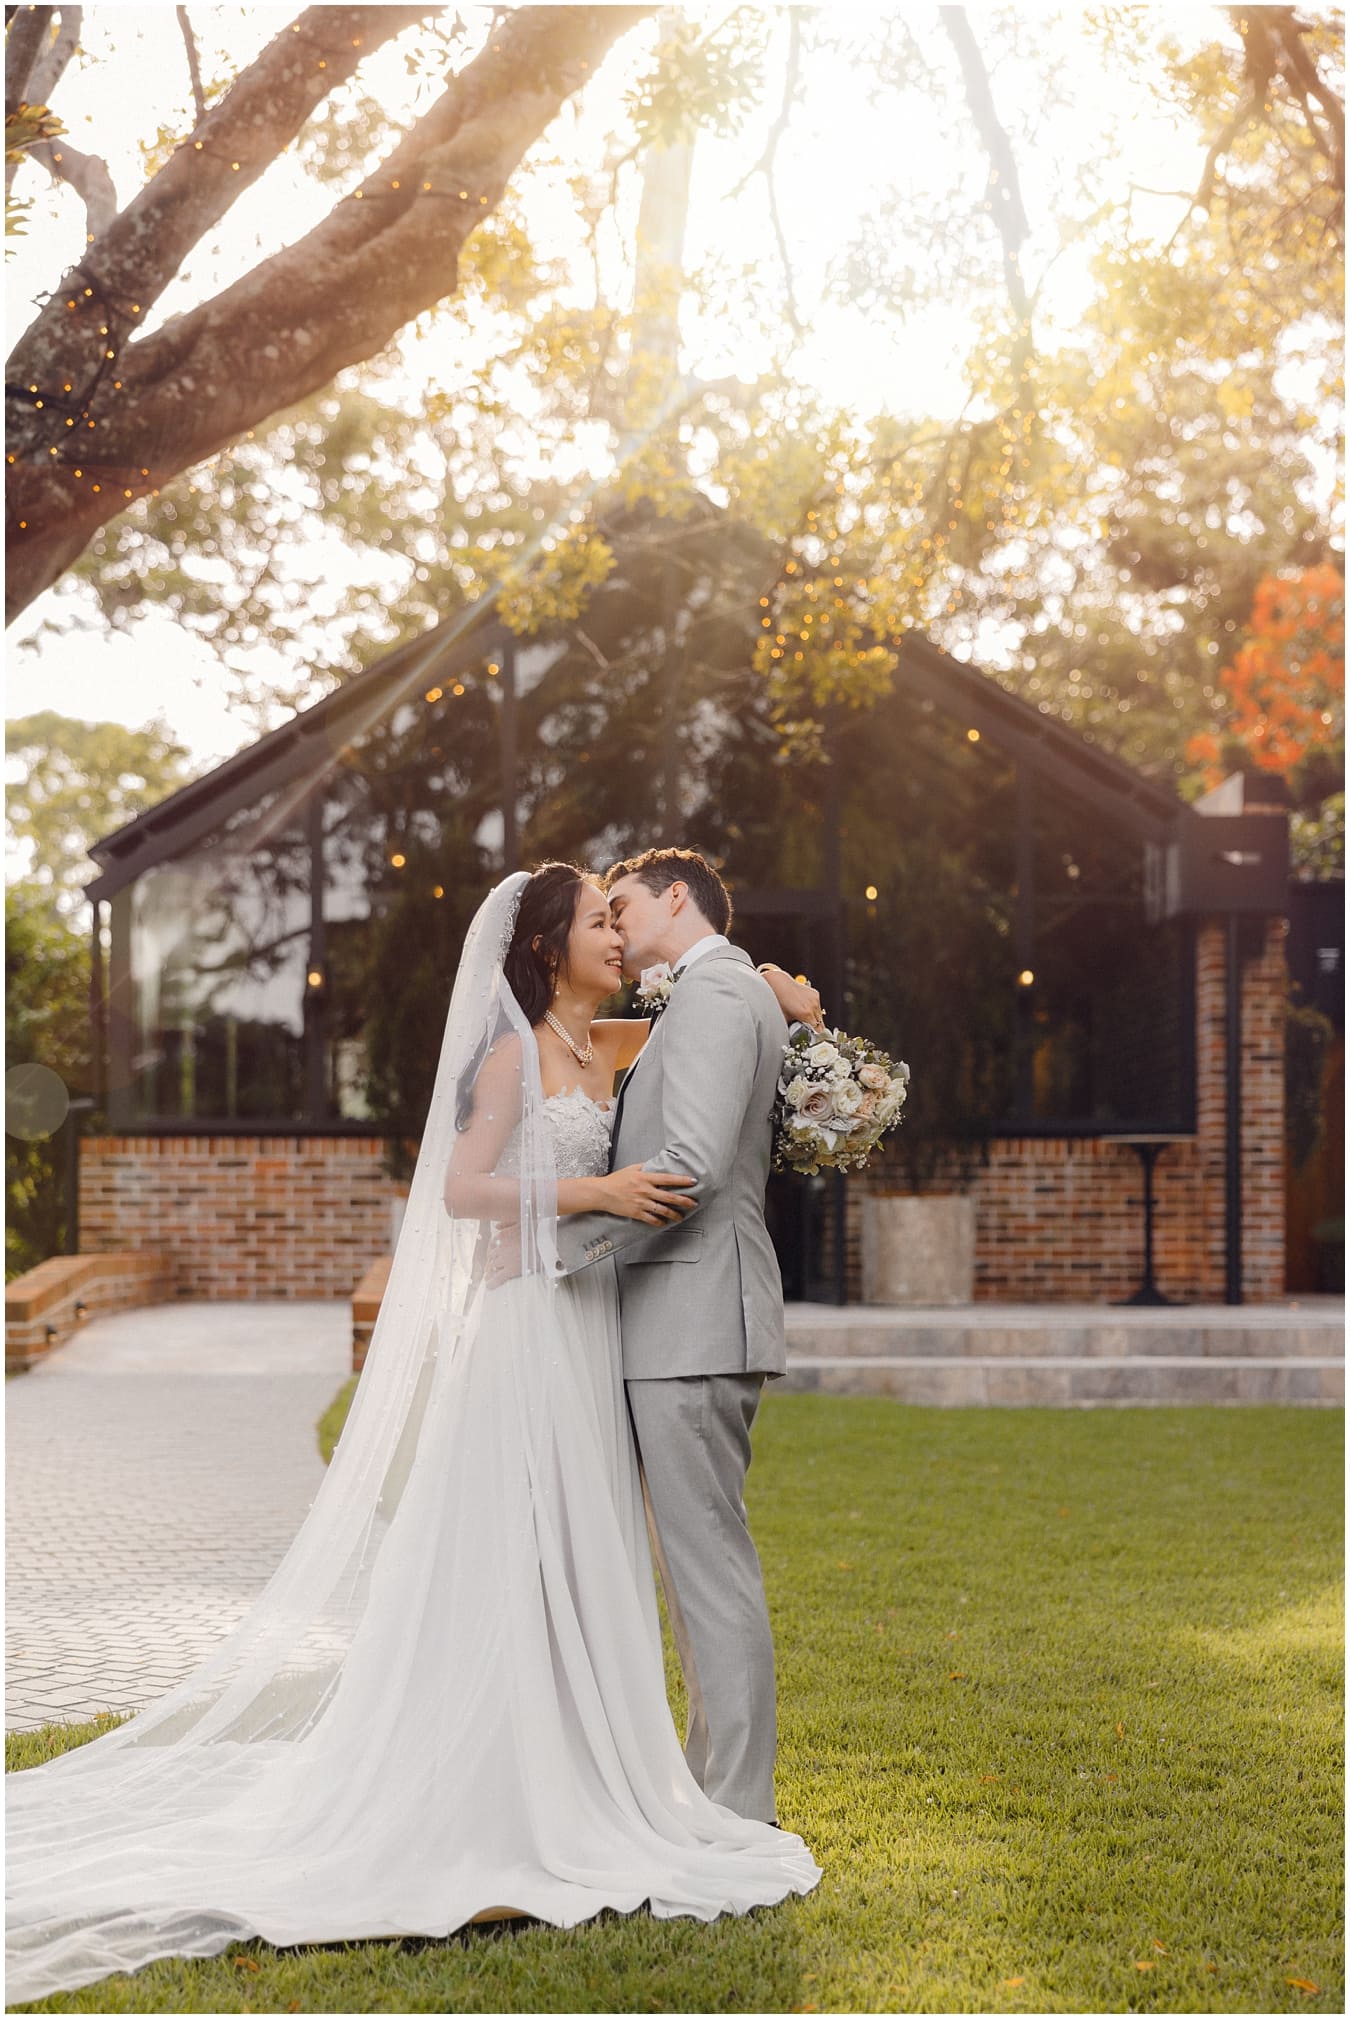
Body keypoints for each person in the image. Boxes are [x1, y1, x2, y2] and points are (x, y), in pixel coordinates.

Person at [5, 862, 822, 2005]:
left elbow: (714, 1046)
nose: (617, 937)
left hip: (595, 1333)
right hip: (533, 1336)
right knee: (514, 1557)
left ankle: (590, 1771)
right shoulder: (511, 1052)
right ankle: (494, 1785)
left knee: (587, 1565)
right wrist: (593, 1197)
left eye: (619, 916)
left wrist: (779, 997)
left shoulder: (614, 1044)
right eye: (598, 921)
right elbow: (461, 1191)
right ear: (547, 950)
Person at [553, 847, 804, 1827]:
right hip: (689, 1317)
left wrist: (558, 1250)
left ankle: (736, 1809)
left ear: (674, 897)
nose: (613, 929)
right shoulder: (733, 992)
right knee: (699, 1570)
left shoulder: (711, 994)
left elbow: (691, 1166)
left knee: (708, 1570)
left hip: (693, 1321)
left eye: (620, 908)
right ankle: (713, 1795)